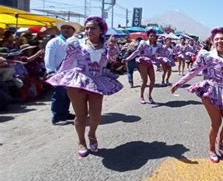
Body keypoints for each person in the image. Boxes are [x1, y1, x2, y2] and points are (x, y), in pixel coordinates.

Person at [171, 27, 223, 163]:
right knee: (216, 122)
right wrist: (179, 83)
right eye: (217, 39)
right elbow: (193, 72)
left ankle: (220, 139)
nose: (220, 41)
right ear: (213, 42)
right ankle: (212, 149)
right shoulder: (207, 56)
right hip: (211, 90)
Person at [47, 16, 123, 157]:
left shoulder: (107, 45)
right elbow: (67, 61)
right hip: (79, 82)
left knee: (95, 115)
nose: (89, 30)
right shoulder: (76, 43)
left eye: (93, 28)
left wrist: (113, 48)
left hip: (98, 81)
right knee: (80, 115)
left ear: (101, 30)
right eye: (87, 28)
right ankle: (81, 141)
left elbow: (112, 60)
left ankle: (92, 135)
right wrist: (60, 76)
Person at [44, 21, 81, 124]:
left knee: (69, 95)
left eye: (69, 28)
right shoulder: (54, 42)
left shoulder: (76, 42)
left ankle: (64, 113)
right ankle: (56, 115)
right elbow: (49, 57)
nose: (66, 30)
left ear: (73, 31)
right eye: (64, 28)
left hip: (72, 73)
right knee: (59, 94)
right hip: (58, 72)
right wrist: (51, 70)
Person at [124, 29, 163, 104]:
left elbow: (159, 53)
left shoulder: (157, 45)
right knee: (144, 81)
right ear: (148, 36)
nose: (152, 37)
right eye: (150, 36)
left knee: (153, 80)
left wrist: (160, 60)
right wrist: (128, 59)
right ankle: (141, 96)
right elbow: (136, 52)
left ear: (156, 37)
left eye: (154, 36)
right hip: (143, 62)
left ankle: (149, 95)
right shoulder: (144, 43)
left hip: (150, 62)